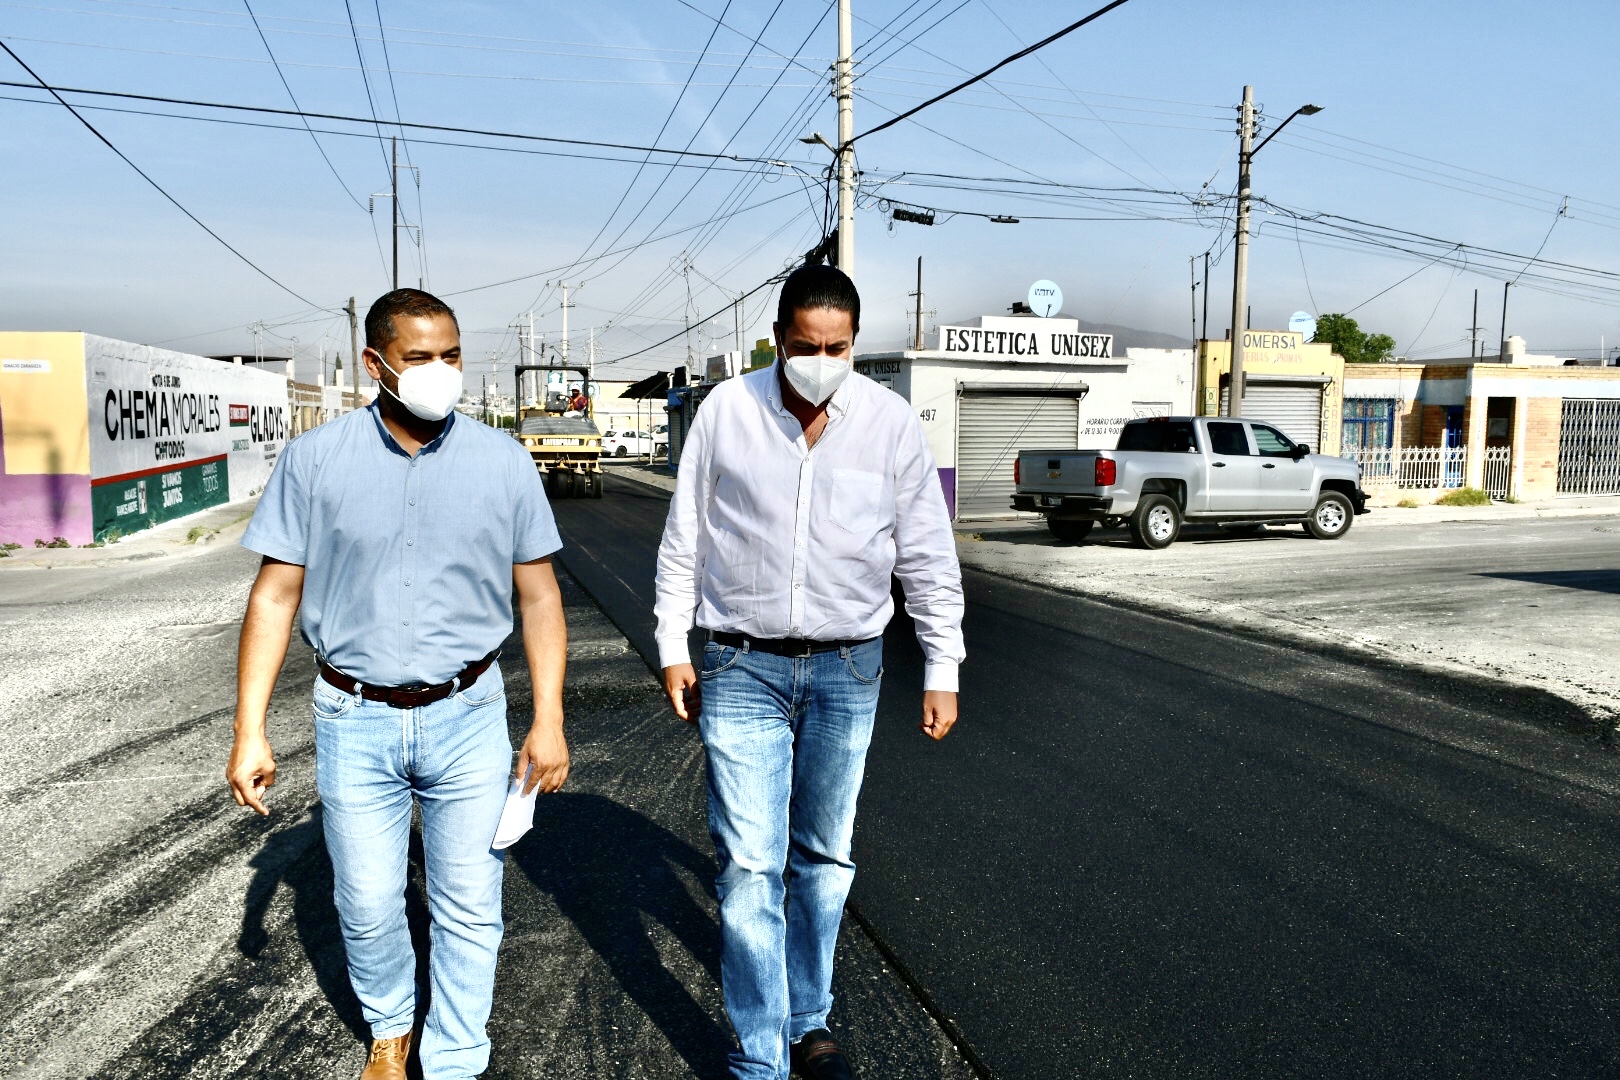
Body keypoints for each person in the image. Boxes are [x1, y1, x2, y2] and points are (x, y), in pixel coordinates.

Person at [226, 288, 570, 1080]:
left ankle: (455, 1059)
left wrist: (548, 717)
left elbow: (541, 597)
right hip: (354, 716)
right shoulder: (315, 460)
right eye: (419, 358)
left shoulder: (503, 462)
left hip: (468, 713)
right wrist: (249, 729)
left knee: (469, 902)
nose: (439, 370)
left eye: (451, 354)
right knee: (368, 901)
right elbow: (274, 597)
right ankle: (390, 1027)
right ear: (375, 364)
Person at [653, 263, 964, 1080]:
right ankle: (761, 1058)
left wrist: (943, 662)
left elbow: (926, 553)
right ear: (777, 339)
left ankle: (807, 1017)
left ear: (854, 343)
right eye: (805, 346)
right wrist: (672, 643)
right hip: (739, 663)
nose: (821, 361)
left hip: (848, 668)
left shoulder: (890, 424)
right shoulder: (727, 412)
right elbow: (685, 536)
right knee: (749, 867)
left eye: (837, 348)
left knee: (824, 858)